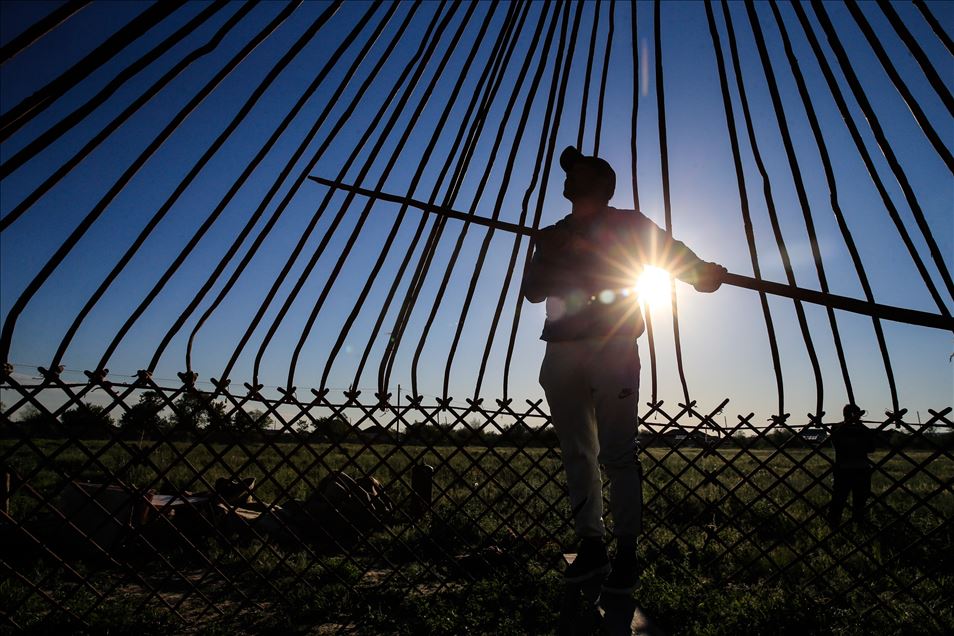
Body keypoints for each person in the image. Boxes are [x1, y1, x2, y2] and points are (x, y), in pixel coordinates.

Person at [522, 146, 726, 594]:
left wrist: (700, 274)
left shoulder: (630, 225)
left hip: (613, 345)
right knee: (578, 453)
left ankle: (627, 556)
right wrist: (555, 252)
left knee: (616, 453)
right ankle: (591, 546)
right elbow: (533, 292)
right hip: (560, 349)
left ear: (598, 184)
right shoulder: (553, 234)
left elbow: (671, 255)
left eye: (576, 172)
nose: (567, 178)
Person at [828, 404, 876, 527]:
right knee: (838, 502)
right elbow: (837, 442)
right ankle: (834, 527)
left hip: (859, 470)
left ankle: (858, 526)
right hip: (846, 470)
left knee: (859, 502)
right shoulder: (837, 427)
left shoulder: (861, 429)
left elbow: (871, 447)